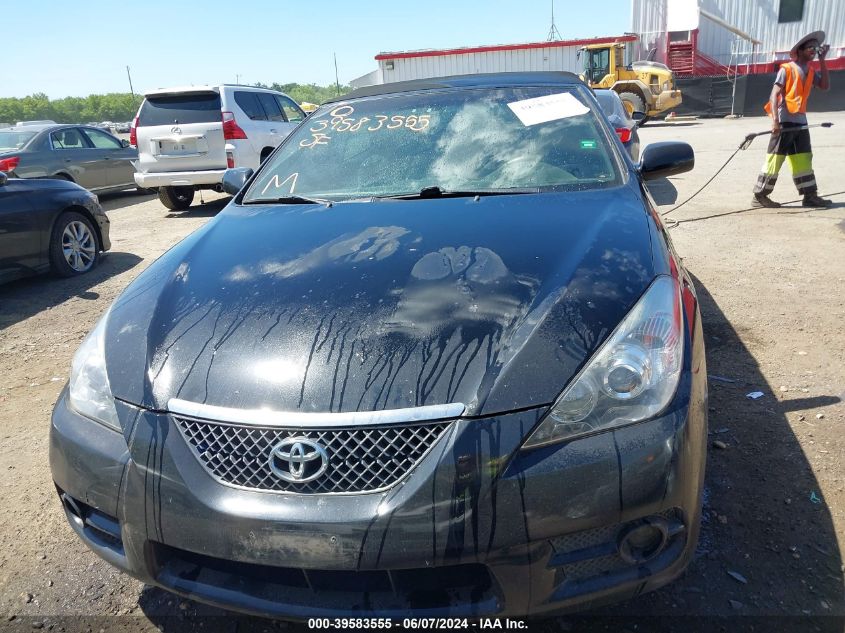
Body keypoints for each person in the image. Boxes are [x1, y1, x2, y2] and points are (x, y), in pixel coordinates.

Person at [752, 30, 832, 208]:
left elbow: (825, 86)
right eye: (810, 47)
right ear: (800, 50)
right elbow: (774, 94)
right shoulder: (787, 69)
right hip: (784, 122)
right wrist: (775, 121)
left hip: (800, 122)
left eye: (815, 47)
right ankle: (759, 196)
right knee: (775, 159)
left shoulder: (810, 71)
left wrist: (822, 60)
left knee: (803, 158)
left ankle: (809, 196)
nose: (814, 50)